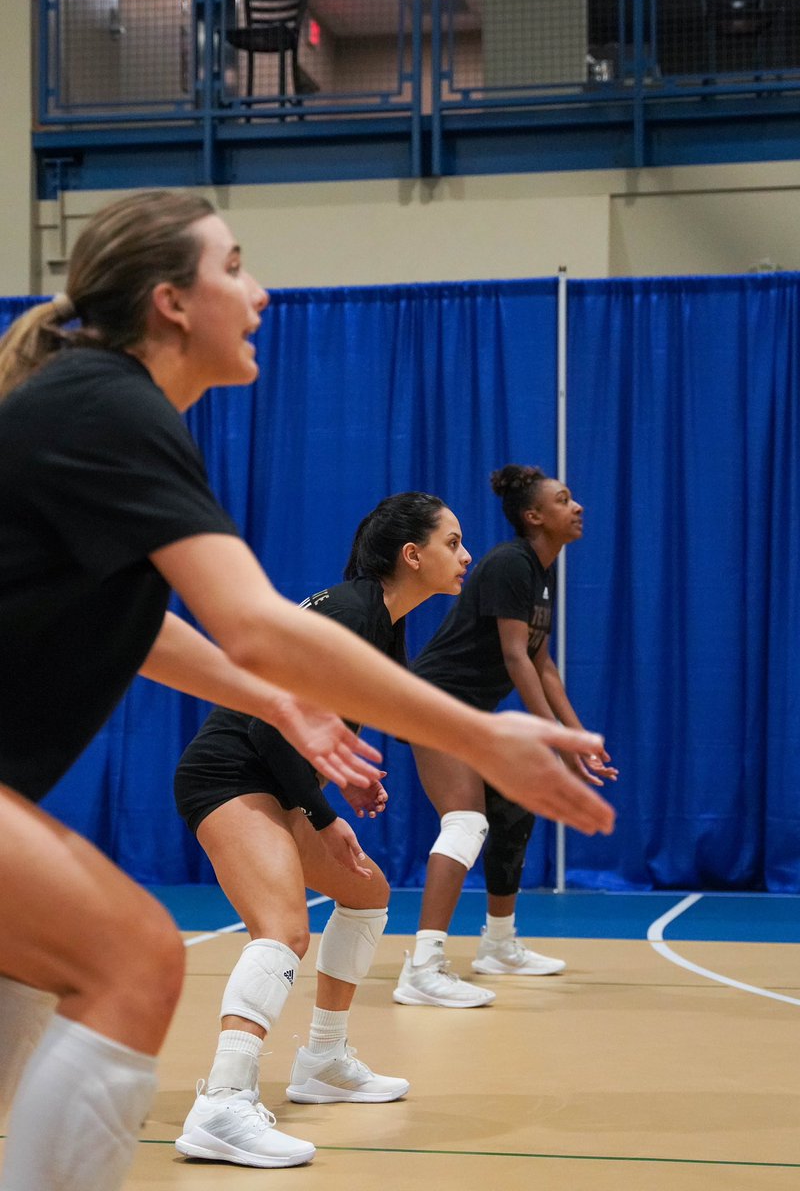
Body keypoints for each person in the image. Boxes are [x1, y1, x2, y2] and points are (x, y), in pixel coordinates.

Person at [0, 190, 613, 1191]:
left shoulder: (109, 410)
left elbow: (142, 628)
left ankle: (319, 1057)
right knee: (135, 960)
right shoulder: (109, 405)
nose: (259, 290)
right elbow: (253, 623)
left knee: (26, 982)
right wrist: (480, 734)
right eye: (233, 266)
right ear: (170, 303)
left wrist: (281, 703)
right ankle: (225, 1106)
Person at [172, 491, 471, 1168]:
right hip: (228, 774)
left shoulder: (380, 624)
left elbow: (304, 730)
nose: (466, 554)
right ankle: (222, 1102)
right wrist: (325, 812)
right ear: (412, 554)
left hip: (271, 775)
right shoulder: (350, 612)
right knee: (283, 929)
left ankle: (324, 1060)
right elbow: (264, 726)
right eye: (453, 542)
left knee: (366, 893)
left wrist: (340, 782)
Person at [394, 465, 617, 1009]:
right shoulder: (510, 563)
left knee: (513, 810)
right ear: (534, 516)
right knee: (467, 821)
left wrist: (577, 735)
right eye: (564, 499)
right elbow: (515, 657)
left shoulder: (543, 572)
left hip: (472, 711)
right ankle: (421, 967)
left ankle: (497, 945)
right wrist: (555, 742)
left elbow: (542, 663)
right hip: (437, 704)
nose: (578, 506)